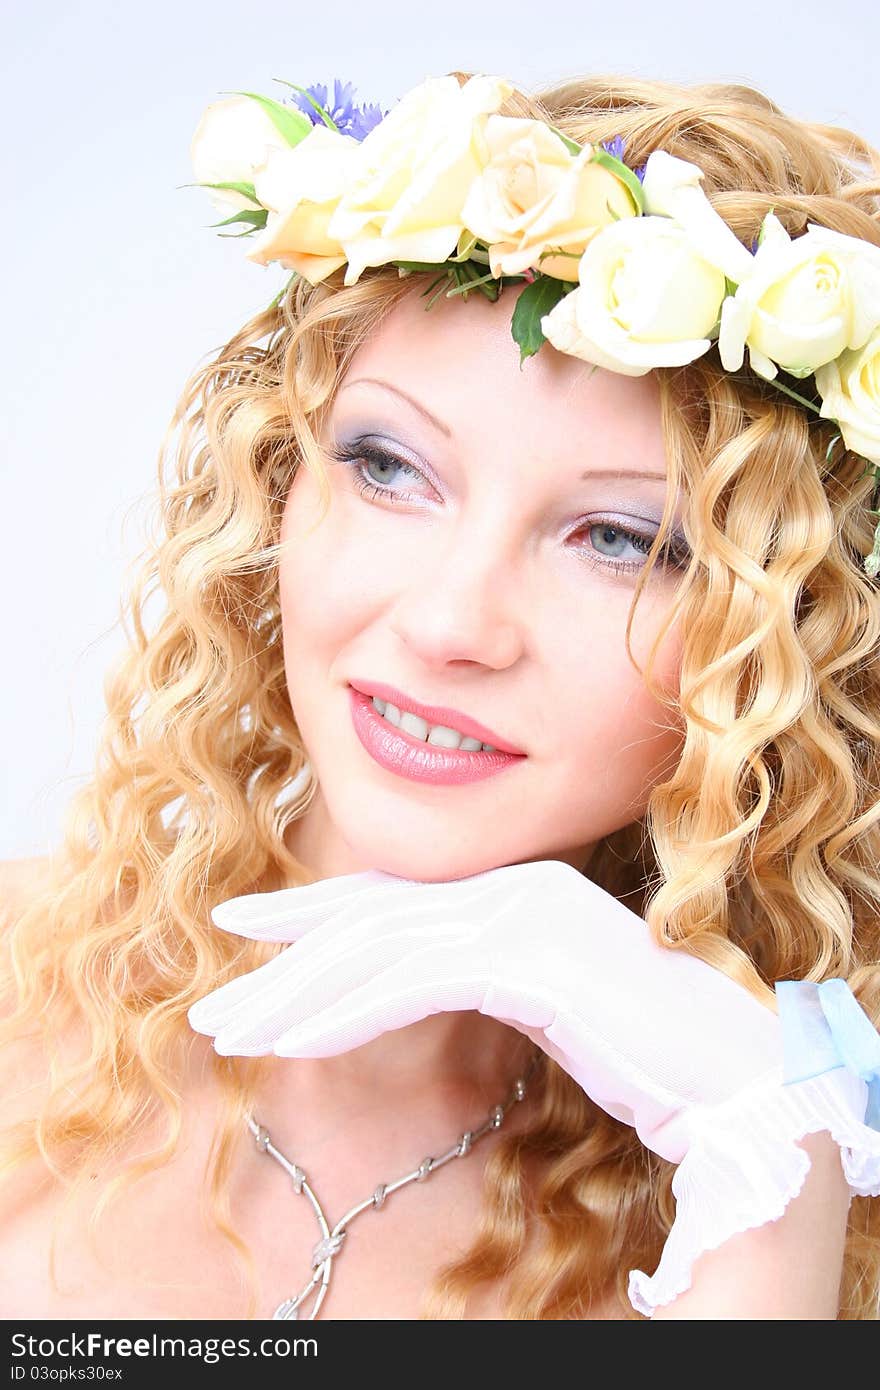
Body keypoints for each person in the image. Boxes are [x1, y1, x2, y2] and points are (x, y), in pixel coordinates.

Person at [1, 66, 879, 1322]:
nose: (449, 623)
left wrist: (767, 1154)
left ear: (783, 639)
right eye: (389, 465)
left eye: (623, 541)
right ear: (278, 486)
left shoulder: (785, 1177)